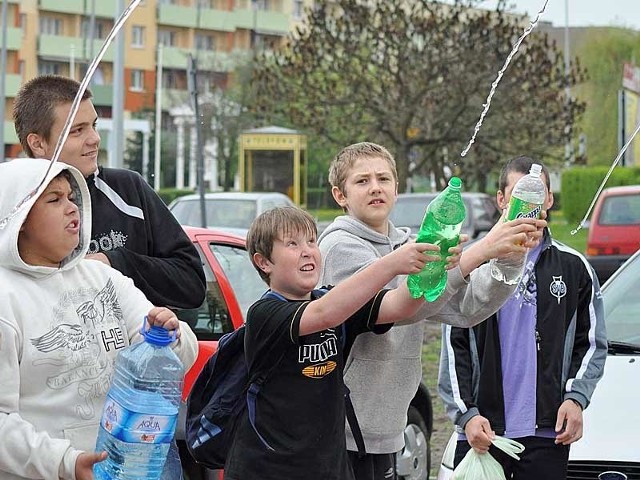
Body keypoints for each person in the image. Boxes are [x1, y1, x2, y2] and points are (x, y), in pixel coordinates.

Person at [318, 142, 546, 480]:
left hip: (387, 429)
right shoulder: (339, 246)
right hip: (341, 430)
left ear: (397, 187)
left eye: (383, 178)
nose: (375, 187)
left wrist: (508, 257)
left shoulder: (407, 245)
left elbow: (466, 308)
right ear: (340, 195)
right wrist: (481, 249)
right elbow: (400, 307)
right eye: (362, 181)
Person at [0, 158, 198, 480]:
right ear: (19, 218)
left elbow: (174, 356)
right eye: (54, 199)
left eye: (71, 197)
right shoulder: (5, 299)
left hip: (127, 468)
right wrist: (65, 463)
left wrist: (170, 334)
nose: (71, 208)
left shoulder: (103, 278)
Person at [223, 205, 449, 480]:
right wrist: (393, 262)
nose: (307, 250)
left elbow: (400, 305)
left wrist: (441, 264)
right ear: (264, 262)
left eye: (311, 241)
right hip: (268, 469)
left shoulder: (328, 299)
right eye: (292, 244)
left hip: (329, 467)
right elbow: (324, 314)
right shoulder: (265, 314)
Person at [438, 156, 607, 480]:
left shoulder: (574, 268)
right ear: (502, 199)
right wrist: (466, 415)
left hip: (547, 433)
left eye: (537, 193)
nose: (528, 203)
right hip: (483, 431)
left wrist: (575, 398)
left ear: (549, 199)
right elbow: (453, 342)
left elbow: (591, 343)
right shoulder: (474, 262)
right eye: (518, 194)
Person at [12, 74, 205, 310]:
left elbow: (192, 284)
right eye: (78, 131)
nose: (94, 139)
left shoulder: (128, 189)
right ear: (38, 143)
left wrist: (114, 261)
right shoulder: (13, 208)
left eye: (93, 125)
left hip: (131, 344)